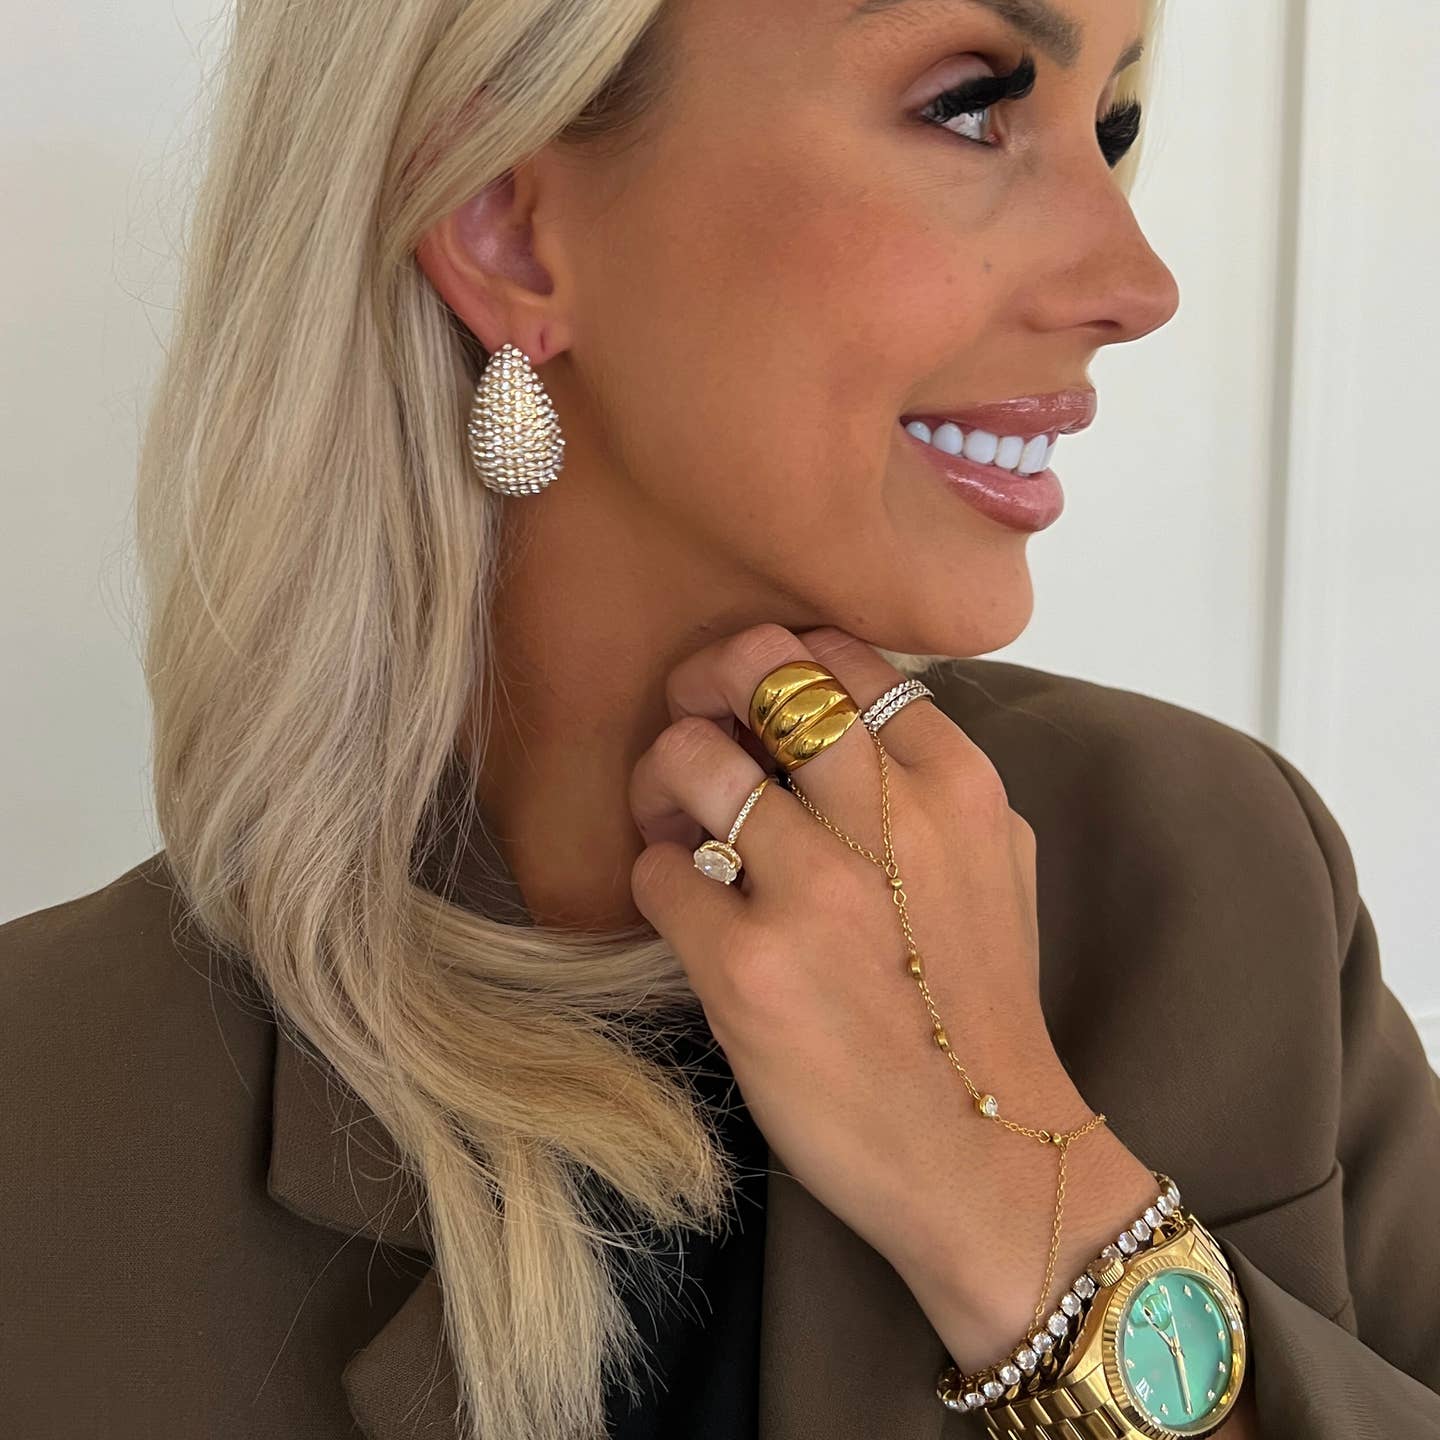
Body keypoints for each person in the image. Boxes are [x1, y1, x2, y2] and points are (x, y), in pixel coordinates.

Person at [3, 0, 1438, 1437]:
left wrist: (1014, 1201)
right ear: (507, 226)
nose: (1137, 280)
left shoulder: (1230, 890)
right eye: (970, 105)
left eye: (1111, 126)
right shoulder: (51, 1120)